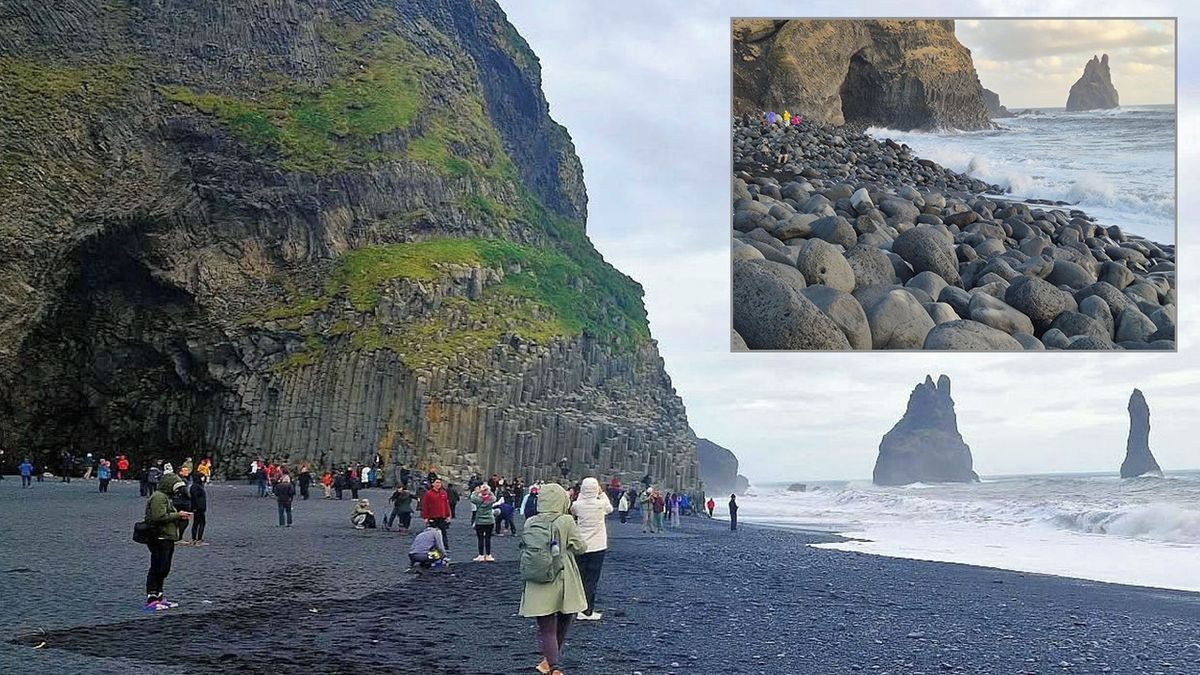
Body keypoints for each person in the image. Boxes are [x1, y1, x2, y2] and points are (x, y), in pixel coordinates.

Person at [518, 482, 587, 675]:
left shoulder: (530, 521)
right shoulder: (566, 520)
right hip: (561, 575)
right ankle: (553, 667)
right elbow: (581, 547)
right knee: (565, 616)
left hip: (536, 576)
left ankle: (548, 663)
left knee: (546, 626)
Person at [142, 473, 191, 610]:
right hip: (159, 537)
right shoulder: (159, 497)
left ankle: (159, 596)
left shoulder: (165, 497)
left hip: (166, 537)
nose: (178, 491)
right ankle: (152, 597)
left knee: (163, 568)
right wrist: (178, 515)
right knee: (158, 567)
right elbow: (158, 516)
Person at [571, 477, 613, 621]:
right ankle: (587, 611)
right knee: (592, 579)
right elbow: (610, 508)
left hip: (581, 545)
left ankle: (577, 608)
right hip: (598, 545)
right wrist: (601, 493)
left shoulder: (577, 505)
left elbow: (574, 510)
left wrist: (583, 495)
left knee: (580, 577)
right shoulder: (601, 504)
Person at [420, 478, 453, 550]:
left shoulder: (444, 493)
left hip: (442, 516)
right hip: (432, 516)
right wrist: (425, 517)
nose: (438, 484)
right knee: (432, 534)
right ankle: (432, 547)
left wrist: (448, 515)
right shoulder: (428, 493)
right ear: (433, 484)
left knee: (443, 533)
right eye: (437, 482)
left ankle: (445, 547)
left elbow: (446, 505)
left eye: (439, 483)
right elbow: (425, 505)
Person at [470, 484, 497, 562]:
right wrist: (489, 491)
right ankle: (488, 555)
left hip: (480, 521)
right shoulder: (492, 499)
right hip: (490, 521)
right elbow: (494, 497)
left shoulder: (477, 499)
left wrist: (476, 492)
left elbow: (472, 498)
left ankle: (481, 555)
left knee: (480, 539)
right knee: (488, 538)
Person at [190, 474, 208, 545]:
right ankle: (198, 539)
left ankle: (195, 538)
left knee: (196, 523)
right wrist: (195, 507)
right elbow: (195, 498)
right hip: (199, 508)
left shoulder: (196, 486)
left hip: (199, 507)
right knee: (200, 523)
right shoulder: (196, 486)